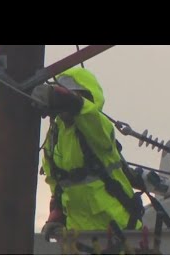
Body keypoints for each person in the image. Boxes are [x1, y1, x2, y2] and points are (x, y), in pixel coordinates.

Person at [31, 67, 144, 243]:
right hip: (80, 239)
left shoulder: (98, 128)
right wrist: (57, 217)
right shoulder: (54, 137)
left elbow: (86, 113)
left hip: (121, 232)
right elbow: (57, 185)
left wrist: (64, 97)